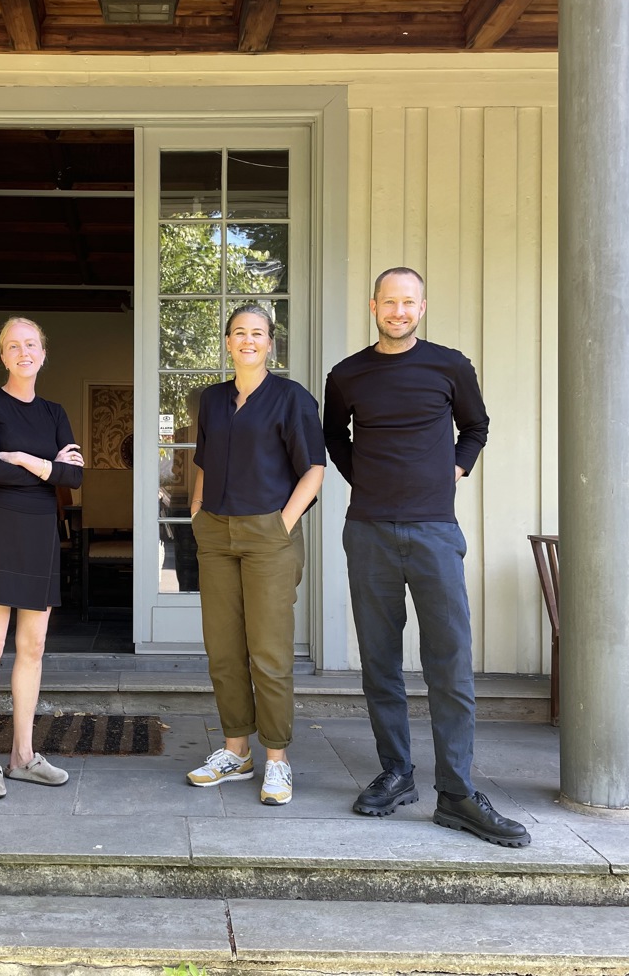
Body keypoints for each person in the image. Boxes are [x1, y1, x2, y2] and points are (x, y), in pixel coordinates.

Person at [323, 266, 530, 848]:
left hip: (436, 529)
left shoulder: (449, 365)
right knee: (380, 660)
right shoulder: (348, 374)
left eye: (408, 302)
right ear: (374, 306)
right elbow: (334, 436)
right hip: (367, 531)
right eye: (389, 302)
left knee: (450, 662)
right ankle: (396, 773)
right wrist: (363, 477)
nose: (398, 311)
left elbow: (477, 425)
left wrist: (456, 468)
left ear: (421, 307)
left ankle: (458, 793)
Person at [186, 305, 326, 806]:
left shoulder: (292, 399)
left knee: (268, 653)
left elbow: (314, 470)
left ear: (271, 343)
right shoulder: (212, 400)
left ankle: (277, 760)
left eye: (258, 333)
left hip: (269, 535)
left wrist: (280, 525)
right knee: (224, 651)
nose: (248, 340)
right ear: (227, 342)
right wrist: (198, 513)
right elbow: (201, 463)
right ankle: (235, 750)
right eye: (239, 333)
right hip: (217, 535)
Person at [0, 317, 84, 799]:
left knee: (32, 648)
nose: (23, 351)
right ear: (2, 354)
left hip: (39, 534)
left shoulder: (54, 412)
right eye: (13, 345)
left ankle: (23, 756)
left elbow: (73, 480)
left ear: (43, 352)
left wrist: (26, 459)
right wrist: (47, 468)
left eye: (31, 343)